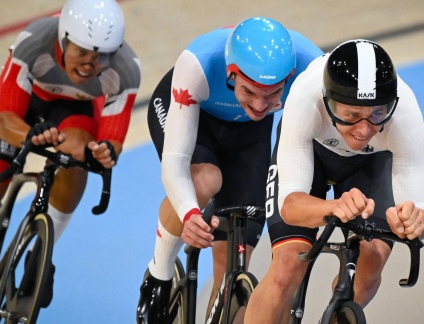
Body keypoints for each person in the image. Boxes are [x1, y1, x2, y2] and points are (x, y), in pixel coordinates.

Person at [137, 17, 323, 323]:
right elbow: (175, 160)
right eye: (249, 91)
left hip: (249, 134)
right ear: (231, 73)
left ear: (290, 76)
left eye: (273, 94)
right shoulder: (197, 64)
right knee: (205, 180)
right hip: (192, 114)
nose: (261, 104)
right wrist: (188, 213)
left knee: (232, 268)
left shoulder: (313, 66)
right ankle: (157, 277)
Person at [244, 39, 424, 323]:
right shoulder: (306, 97)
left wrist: (413, 220)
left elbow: (419, 208)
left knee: (371, 264)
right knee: (286, 268)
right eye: (352, 115)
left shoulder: (405, 115)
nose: (364, 129)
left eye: (377, 114)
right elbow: (291, 205)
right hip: (313, 154)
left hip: (372, 162)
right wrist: (330, 207)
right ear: (329, 102)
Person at [0, 0, 141, 306]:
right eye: (81, 51)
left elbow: (110, 141)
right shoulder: (34, 42)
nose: (89, 65)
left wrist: (103, 153)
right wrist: (28, 135)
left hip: (73, 110)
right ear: (63, 39)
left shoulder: (126, 69)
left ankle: (42, 251)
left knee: (80, 153)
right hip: (24, 104)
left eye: (102, 55)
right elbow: (5, 120)